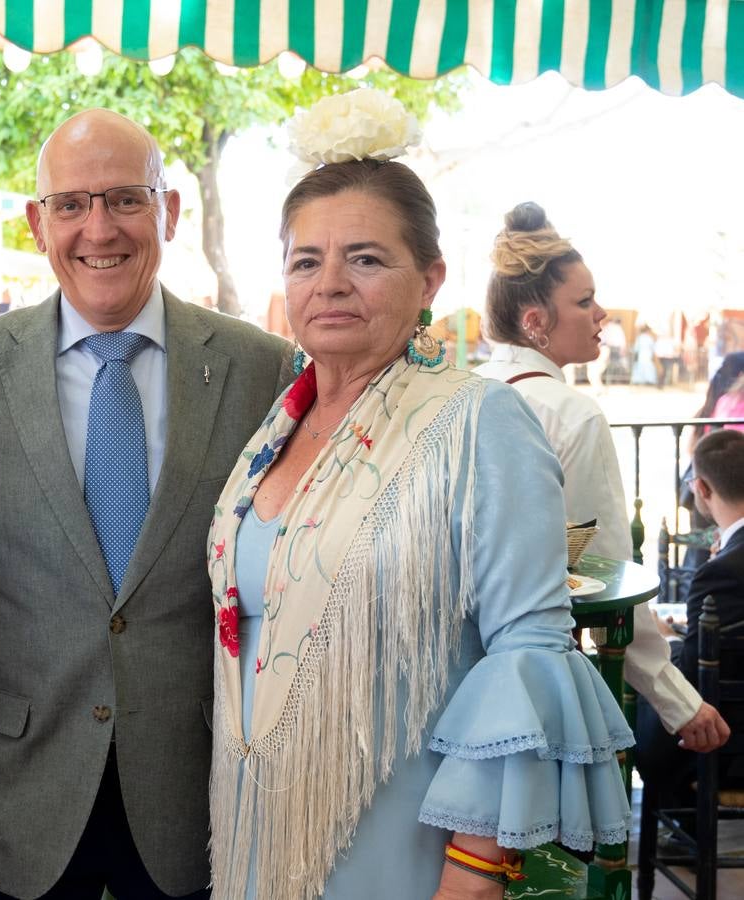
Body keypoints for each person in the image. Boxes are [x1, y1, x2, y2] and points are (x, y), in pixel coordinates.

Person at [207, 90, 634, 899]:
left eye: (364, 258)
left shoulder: (479, 421)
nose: (329, 283)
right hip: (258, 825)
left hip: (404, 840)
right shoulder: (277, 423)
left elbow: (527, 649)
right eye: (307, 261)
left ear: (429, 276)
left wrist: (472, 873)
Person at [0, 108, 290, 899]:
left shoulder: (259, 370)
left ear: (169, 211)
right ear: (36, 220)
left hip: (192, 793)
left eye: (126, 198)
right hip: (17, 792)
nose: (99, 228)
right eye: (70, 204)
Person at [473, 202, 728, 757]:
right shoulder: (570, 414)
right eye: (584, 302)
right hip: (529, 674)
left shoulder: (461, 391)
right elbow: (610, 577)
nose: (601, 313)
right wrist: (679, 701)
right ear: (534, 320)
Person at [636, 429, 744, 808]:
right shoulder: (726, 561)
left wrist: (665, 640)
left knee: (637, 691)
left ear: (700, 488)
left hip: (728, 748)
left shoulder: (722, 571)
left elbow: (696, 671)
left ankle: (676, 817)